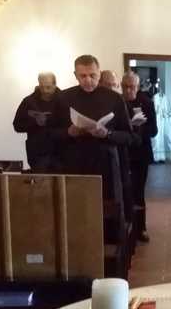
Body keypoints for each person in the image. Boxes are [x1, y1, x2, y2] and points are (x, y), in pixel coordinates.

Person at [50, 55, 139, 222]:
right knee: (75, 214)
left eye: (92, 75)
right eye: (83, 76)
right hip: (74, 165)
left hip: (106, 165)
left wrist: (108, 134)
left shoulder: (114, 98)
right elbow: (50, 134)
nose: (88, 80)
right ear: (75, 75)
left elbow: (130, 137)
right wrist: (68, 132)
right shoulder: (63, 98)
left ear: (99, 73)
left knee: (107, 215)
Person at [122, 71, 158, 242]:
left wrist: (140, 127)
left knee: (138, 192)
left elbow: (154, 130)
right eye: (126, 87)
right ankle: (124, 227)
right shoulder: (117, 102)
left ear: (138, 87)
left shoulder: (146, 102)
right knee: (123, 192)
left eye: (133, 87)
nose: (129, 90)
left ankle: (140, 228)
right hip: (122, 153)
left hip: (140, 154)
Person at [12, 72, 60, 171]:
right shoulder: (29, 101)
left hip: (61, 152)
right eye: (42, 87)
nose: (45, 91)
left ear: (55, 85)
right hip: (38, 154)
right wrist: (35, 122)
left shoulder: (64, 99)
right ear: (38, 84)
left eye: (48, 87)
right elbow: (17, 125)